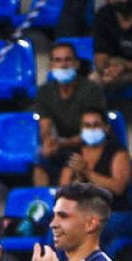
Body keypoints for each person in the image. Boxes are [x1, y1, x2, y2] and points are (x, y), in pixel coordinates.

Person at [58, 108, 132, 251]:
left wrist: (87, 172)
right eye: (87, 126)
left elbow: (118, 187)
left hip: (115, 214)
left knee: (91, 230)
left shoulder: (117, 152)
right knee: (57, 230)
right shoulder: (75, 155)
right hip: (82, 214)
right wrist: (78, 177)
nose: (91, 129)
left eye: (96, 125)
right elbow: (63, 191)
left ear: (106, 128)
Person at [33, 42, 108, 187]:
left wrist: (62, 143)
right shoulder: (45, 91)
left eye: (68, 60)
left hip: (88, 143)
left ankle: (65, 203)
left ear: (77, 64)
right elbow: (45, 126)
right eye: (58, 60)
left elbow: (93, 128)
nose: (63, 64)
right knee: (40, 157)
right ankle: (43, 201)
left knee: (74, 162)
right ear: (51, 66)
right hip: (61, 144)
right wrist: (48, 142)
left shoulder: (91, 89)